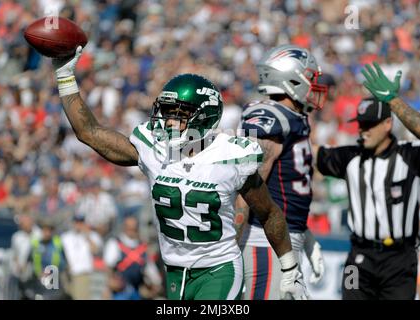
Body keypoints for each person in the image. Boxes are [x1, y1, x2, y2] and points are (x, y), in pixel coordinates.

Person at [50, 46, 308, 300]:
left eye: (179, 114)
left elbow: (268, 212)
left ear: (204, 117)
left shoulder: (230, 157)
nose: (169, 122)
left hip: (219, 269)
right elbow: (89, 133)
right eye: (167, 112)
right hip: (173, 269)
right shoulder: (155, 149)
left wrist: (289, 267)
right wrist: (64, 75)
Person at [314, 62, 420, 300]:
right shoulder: (351, 157)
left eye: (370, 124)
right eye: (361, 125)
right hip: (357, 259)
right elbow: (308, 152)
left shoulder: (409, 155)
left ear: (388, 124)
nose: (364, 130)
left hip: (399, 260)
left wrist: (394, 102)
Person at [236, 44, 326, 300]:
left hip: (284, 243)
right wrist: (229, 249)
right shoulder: (271, 116)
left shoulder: (294, 118)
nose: (313, 85)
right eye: (309, 78)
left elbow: (284, 191)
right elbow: (248, 190)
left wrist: (306, 237)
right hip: (264, 245)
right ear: (290, 79)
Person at [103, 215, 162, 300]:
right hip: (120, 290)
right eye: (129, 227)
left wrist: (155, 284)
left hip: (137, 289)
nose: (131, 230)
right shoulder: (115, 243)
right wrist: (109, 285)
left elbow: (150, 268)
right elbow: (108, 266)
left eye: (133, 228)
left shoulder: (142, 246)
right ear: (124, 227)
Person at [61, 214, 103, 300]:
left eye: (81, 222)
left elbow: (95, 251)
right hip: (68, 273)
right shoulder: (65, 237)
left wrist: (87, 235)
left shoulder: (93, 235)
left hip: (82, 272)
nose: (78, 225)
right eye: (76, 222)